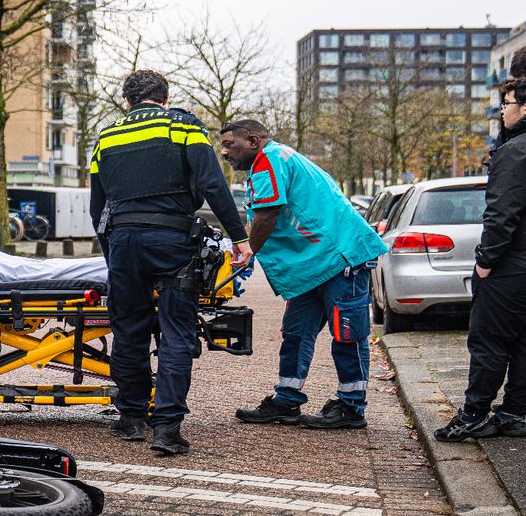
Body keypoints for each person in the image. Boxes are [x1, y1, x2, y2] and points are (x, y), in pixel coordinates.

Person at [90, 70, 252, 455]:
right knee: (177, 332)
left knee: (128, 330)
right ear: (164, 98)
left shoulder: (107, 136)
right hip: (173, 239)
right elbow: (213, 184)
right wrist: (239, 237)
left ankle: (130, 419)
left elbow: (97, 205)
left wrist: (109, 250)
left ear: (126, 101)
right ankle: (166, 429)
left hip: (124, 240)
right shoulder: (184, 126)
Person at [220, 119, 387, 430]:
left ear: (254, 141)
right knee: (296, 331)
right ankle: (287, 399)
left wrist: (248, 250)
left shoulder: (269, 159)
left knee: (347, 333)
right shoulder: (271, 160)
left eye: (231, 145)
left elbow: (269, 212)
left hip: (340, 257)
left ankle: (352, 407)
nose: (225, 152)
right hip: (317, 262)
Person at [436, 78, 526, 441]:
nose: (502, 111)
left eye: (506, 104)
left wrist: (486, 260)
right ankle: (516, 412)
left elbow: (502, 213)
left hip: (510, 265)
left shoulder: (515, 152)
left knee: (489, 340)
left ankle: (474, 415)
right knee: (522, 341)